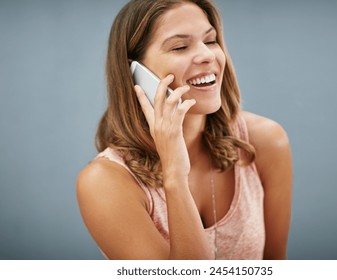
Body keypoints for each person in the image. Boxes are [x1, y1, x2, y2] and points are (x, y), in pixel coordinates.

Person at [77, 0, 292, 260]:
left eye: (211, 41)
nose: (207, 55)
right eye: (180, 46)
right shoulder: (105, 182)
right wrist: (175, 175)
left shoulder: (265, 141)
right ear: (135, 72)